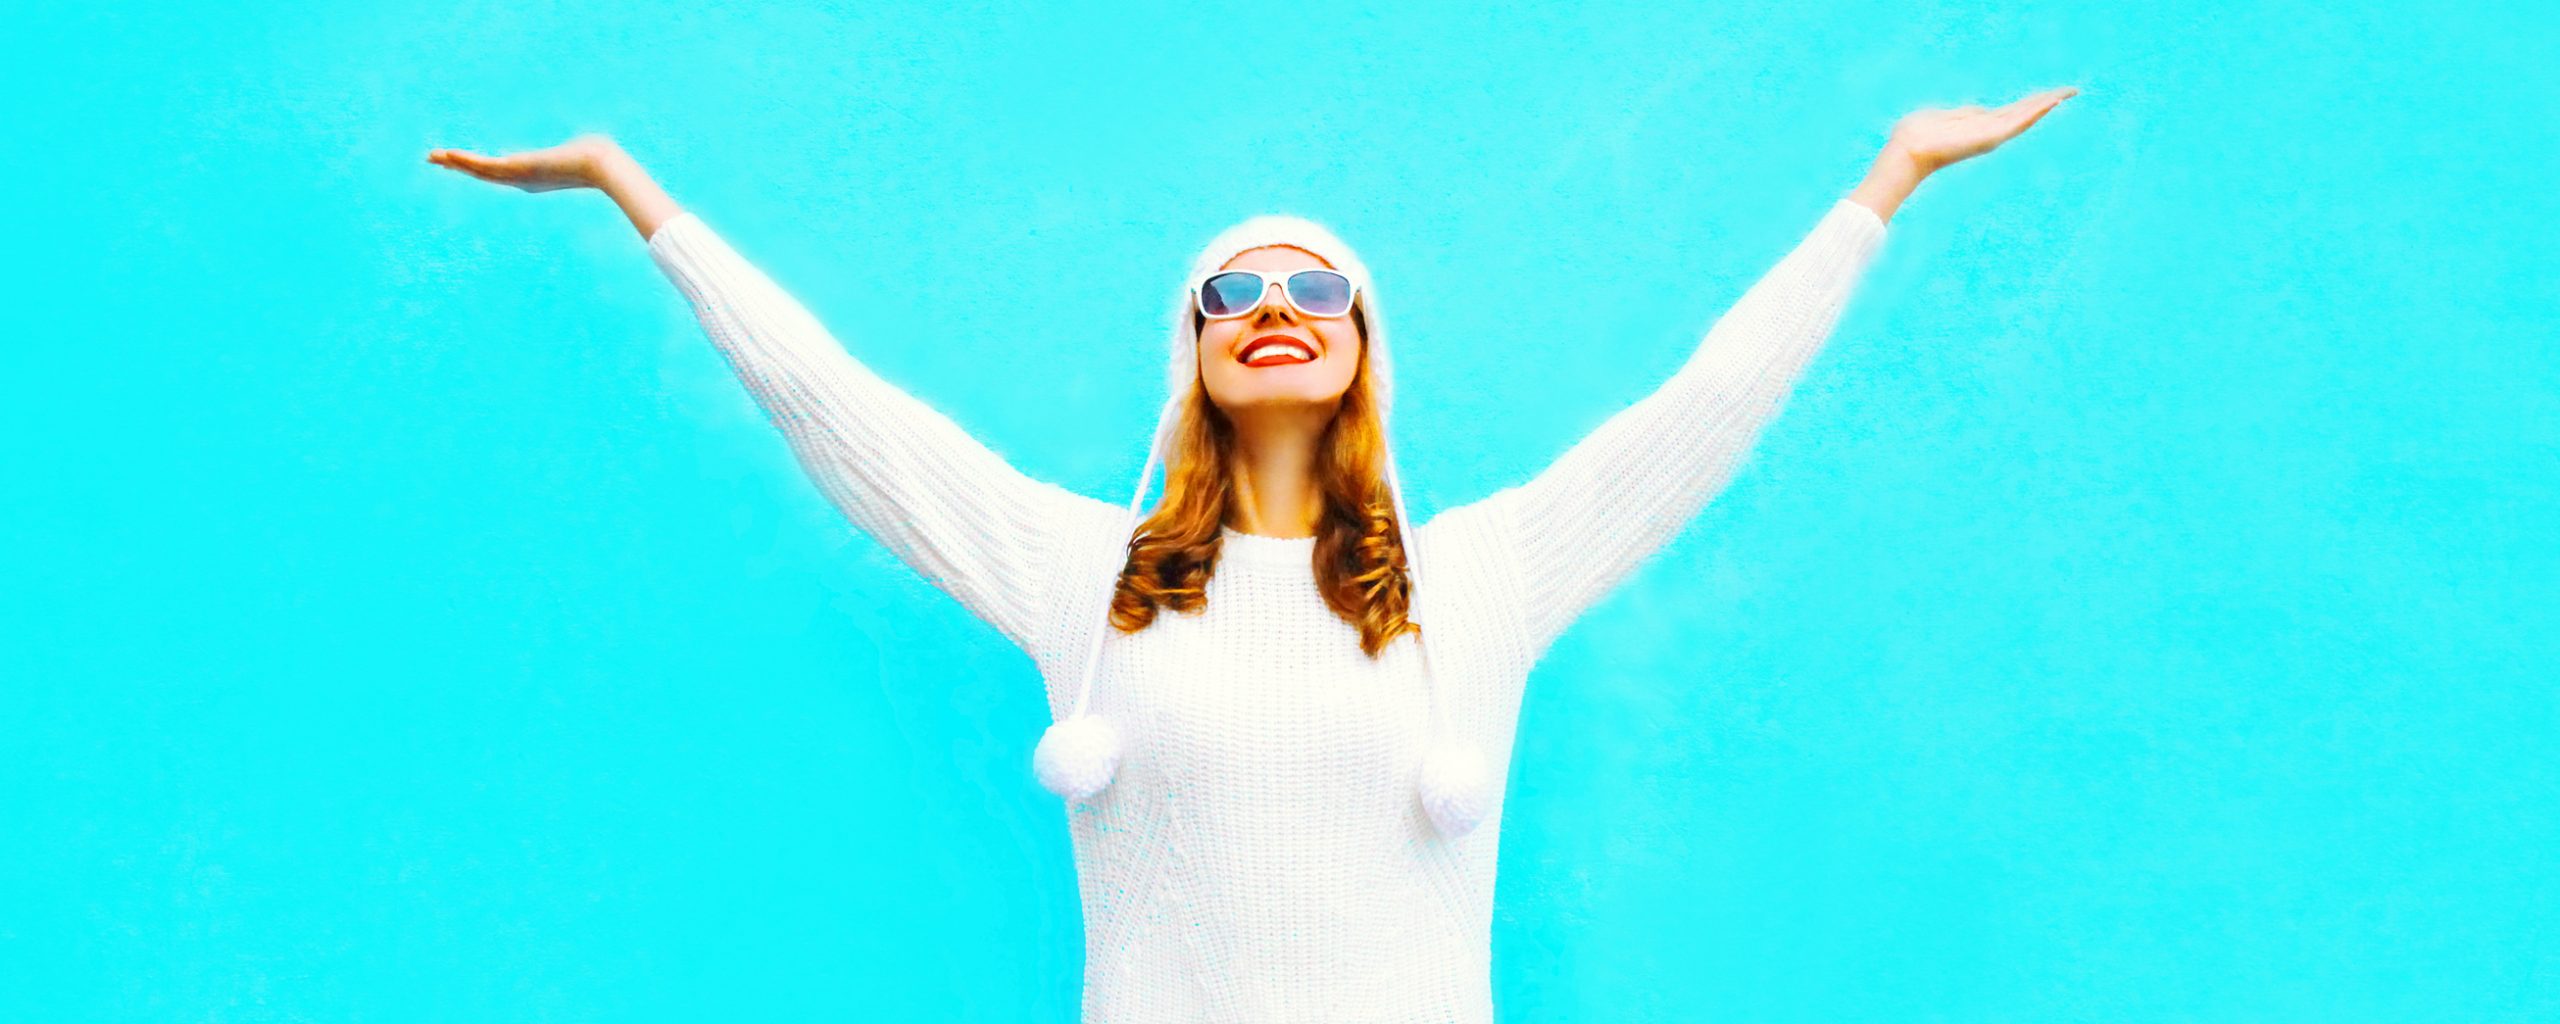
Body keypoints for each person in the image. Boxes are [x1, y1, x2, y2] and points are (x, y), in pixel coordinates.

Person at [427, 84, 2074, 1022]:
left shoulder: (1479, 581)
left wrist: (1889, 179)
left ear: (1366, 347)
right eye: (1232, 293)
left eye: (1312, 291)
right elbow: (831, 406)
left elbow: (1712, 405)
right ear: (1192, 350)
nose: (1272, 311)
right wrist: (634, 192)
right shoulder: (1089, 577)